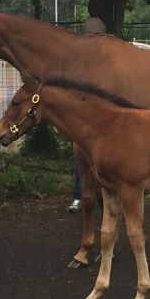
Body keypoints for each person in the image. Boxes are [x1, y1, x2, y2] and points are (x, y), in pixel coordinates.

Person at [67, 17, 107, 213]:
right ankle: (78, 195)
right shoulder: (80, 64)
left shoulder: (110, 61)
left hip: (104, 120)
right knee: (81, 156)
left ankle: (107, 195)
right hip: (85, 119)